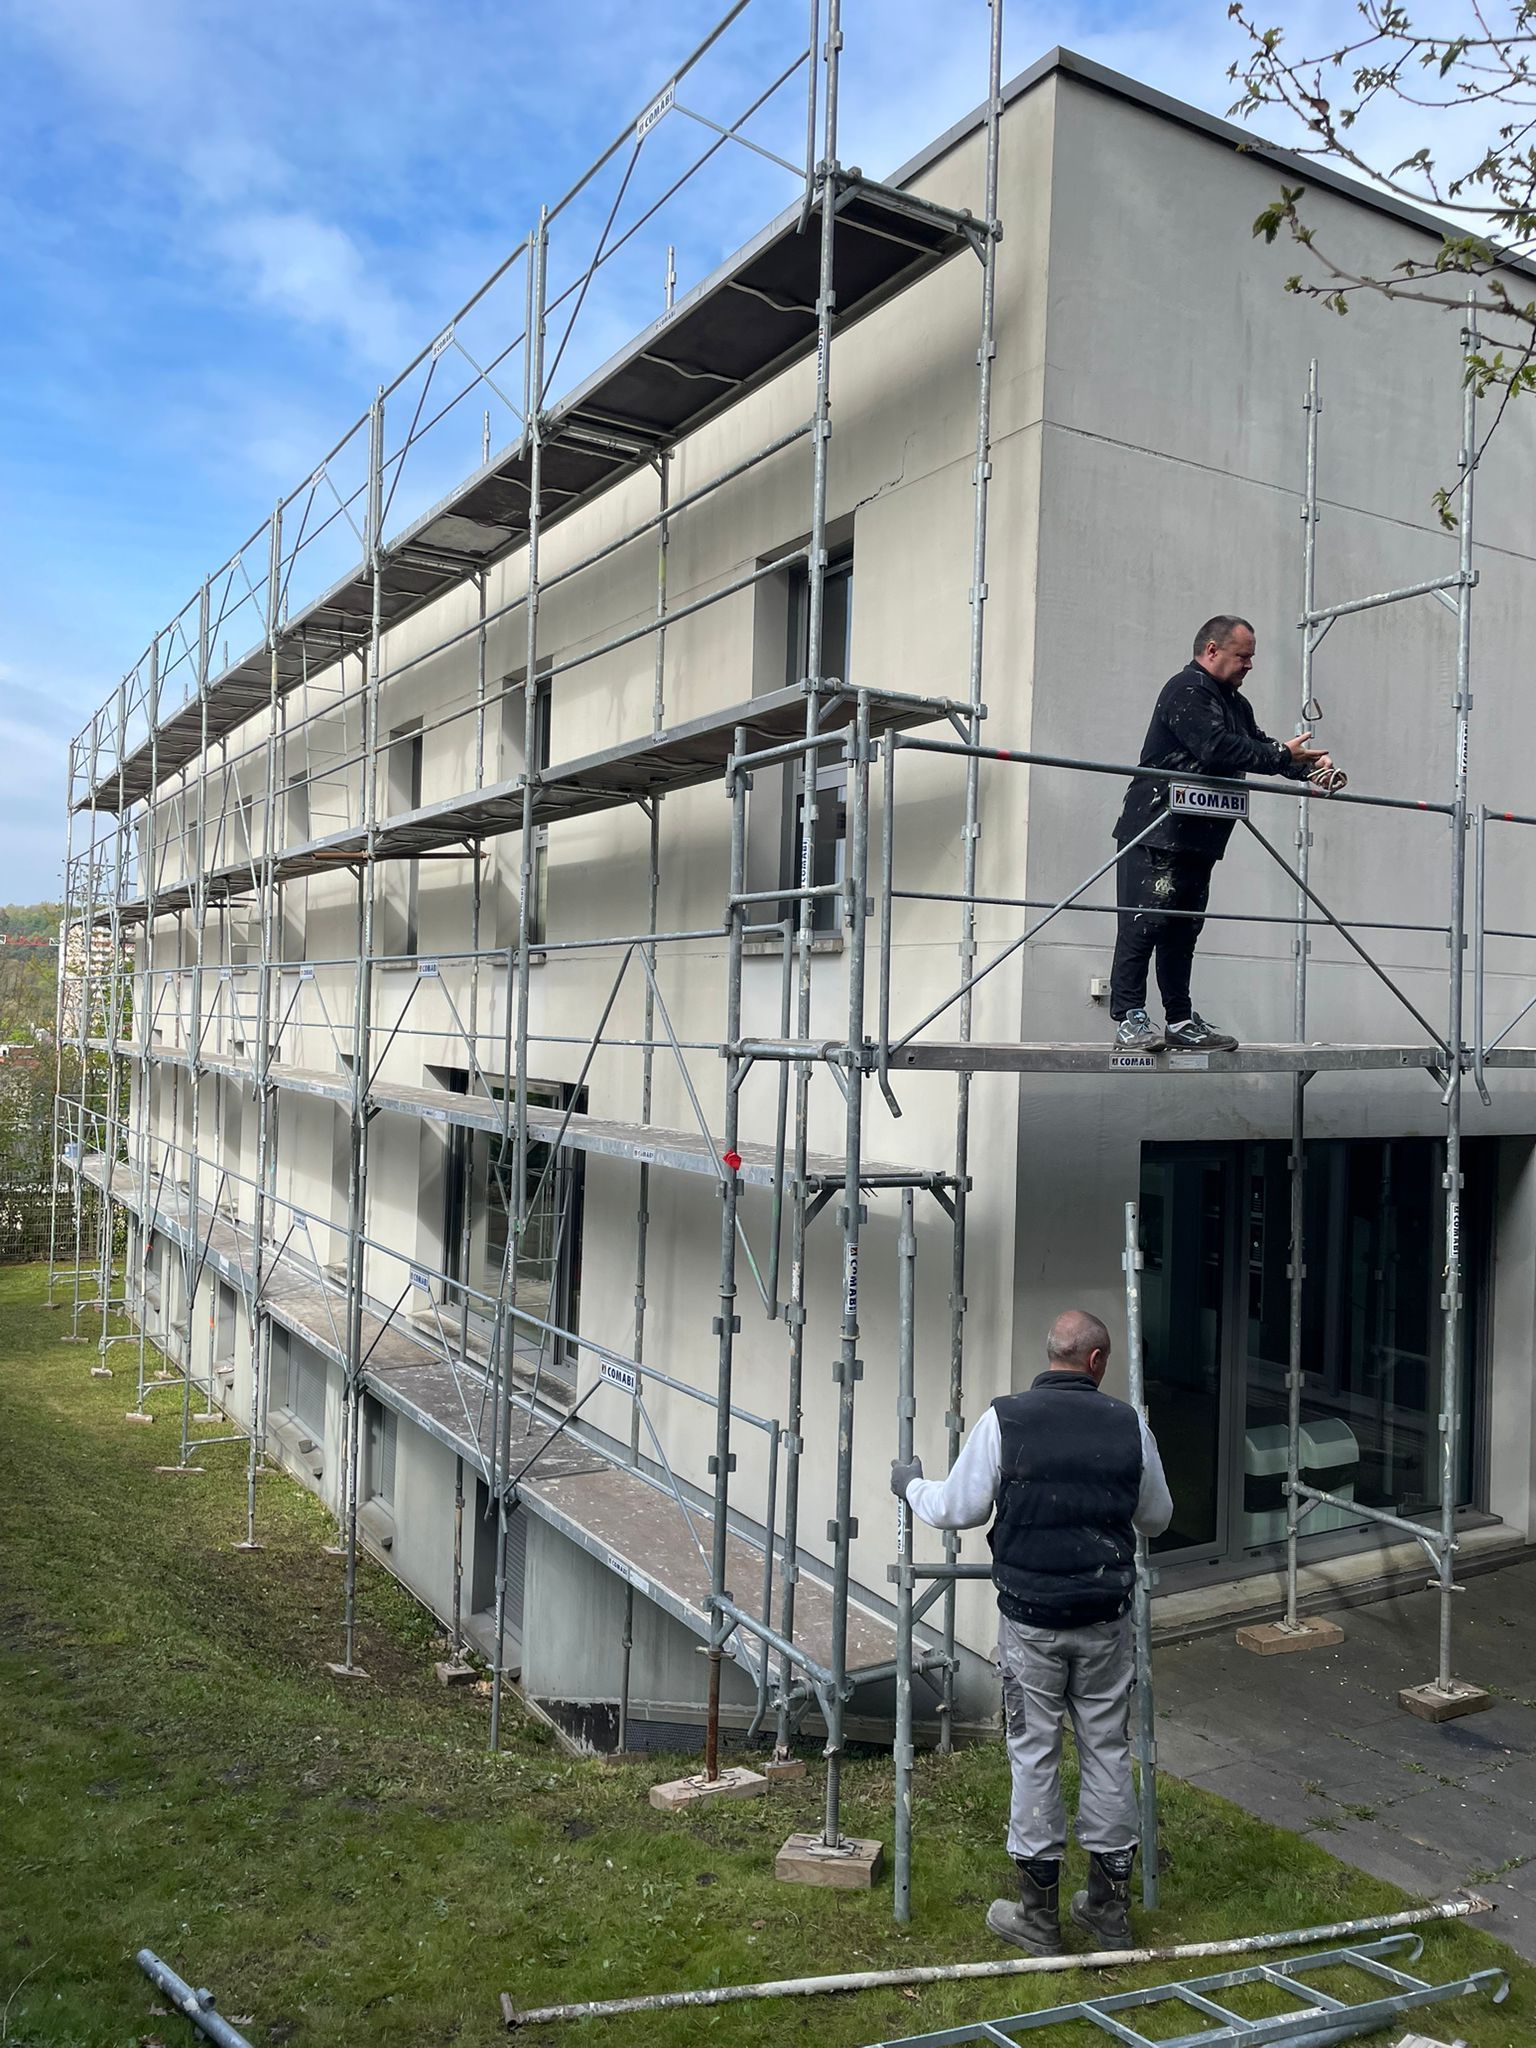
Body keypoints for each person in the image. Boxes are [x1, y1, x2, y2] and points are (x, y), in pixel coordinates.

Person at [891, 1309, 1172, 1955]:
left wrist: (910, 1486)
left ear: (1051, 1356)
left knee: (1035, 1754)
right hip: (1104, 1620)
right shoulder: (1130, 1425)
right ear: (1096, 1361)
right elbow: (1156, 1518)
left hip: (1031, 1623)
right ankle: (1107, 1911)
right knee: (1107, 1749)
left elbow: (958, 1508)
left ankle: (1039, 1920)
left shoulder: (1006, 1420)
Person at [1109, 615, 1334, 1053]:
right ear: (1212, 650)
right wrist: (1278, 754)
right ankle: (1129, 1017)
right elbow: (1216, 748)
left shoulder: (1235, 703)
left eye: (1251, 657)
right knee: (1143, 923)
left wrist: (1306, 768)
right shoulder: (1186, 689)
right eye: (1243, 656)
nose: (1250, 665)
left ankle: (1179, 1019)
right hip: (1156, 829)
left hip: (1198, 835)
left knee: (1184, 930)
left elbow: (1256, 748)